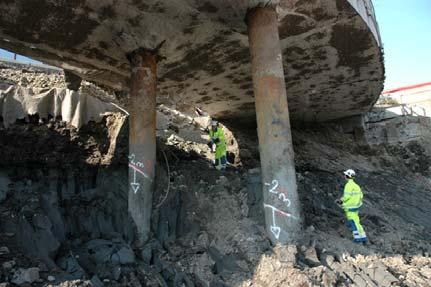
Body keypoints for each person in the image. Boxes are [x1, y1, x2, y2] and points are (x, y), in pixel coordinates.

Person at [337, 169, 367, 243]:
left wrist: (341, 200)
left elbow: (346, 197)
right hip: (356, 207)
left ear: (347, 176)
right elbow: (361, 196)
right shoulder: (356, 186)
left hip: (349, 208)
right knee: (357, 222)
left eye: (345, 175)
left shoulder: (348, 185)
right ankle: (363, 238)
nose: (344, 176)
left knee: (353, 222)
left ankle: (357, 239)